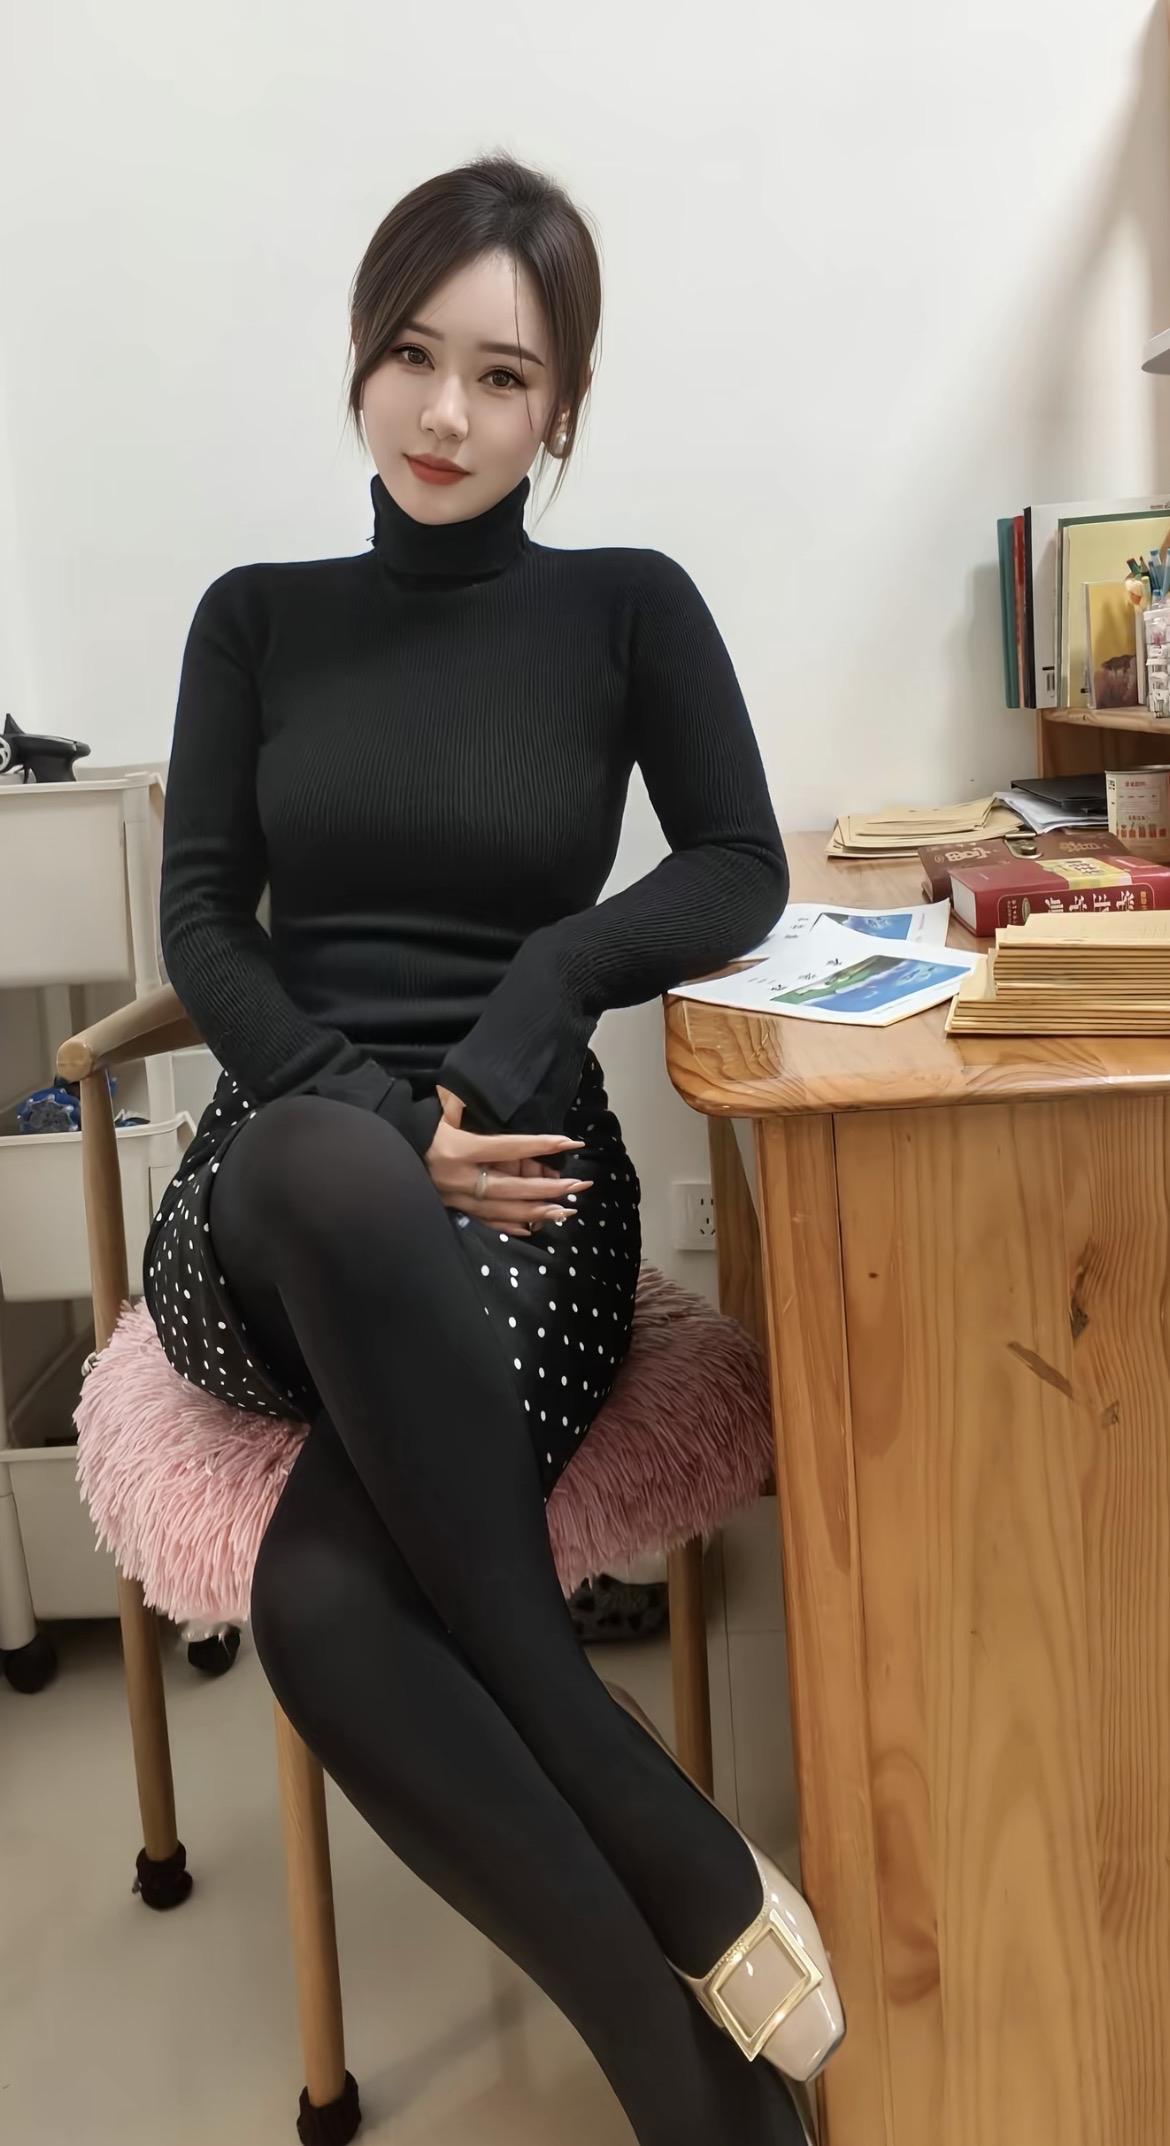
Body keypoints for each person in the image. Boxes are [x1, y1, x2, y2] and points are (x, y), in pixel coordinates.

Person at [142, 151, 834, 2146]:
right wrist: (377, 1117)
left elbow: (735, 858)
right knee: (319, 1164)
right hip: (280, 1199)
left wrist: (554, 972)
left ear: (562, 407)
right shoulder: (255, 620)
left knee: (324, 1604)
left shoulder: (627, 609)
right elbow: (205, 921)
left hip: (525, 1203)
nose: (446, 413)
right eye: (413, 357)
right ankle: (629, 1788)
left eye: (505, 376)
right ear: (362, 361)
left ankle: (691, 2091)